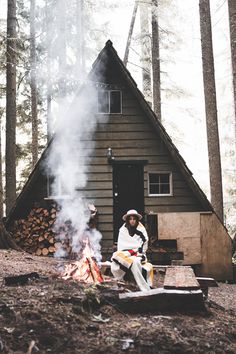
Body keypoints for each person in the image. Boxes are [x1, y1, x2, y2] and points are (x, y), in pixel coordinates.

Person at [111, 209, 153, 291]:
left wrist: (139, 253)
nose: (132, 221)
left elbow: (145, 244)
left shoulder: (141, 229)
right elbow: (121, 245)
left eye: (134, 219)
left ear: (137, 220)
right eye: (130, 219)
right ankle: (122, 282)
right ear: (127, 220)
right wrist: (128, 253)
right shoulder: (123, 230)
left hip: (139, 253)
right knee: (115, 259)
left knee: (135, 262)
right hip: (126, 252)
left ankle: (144, 288)